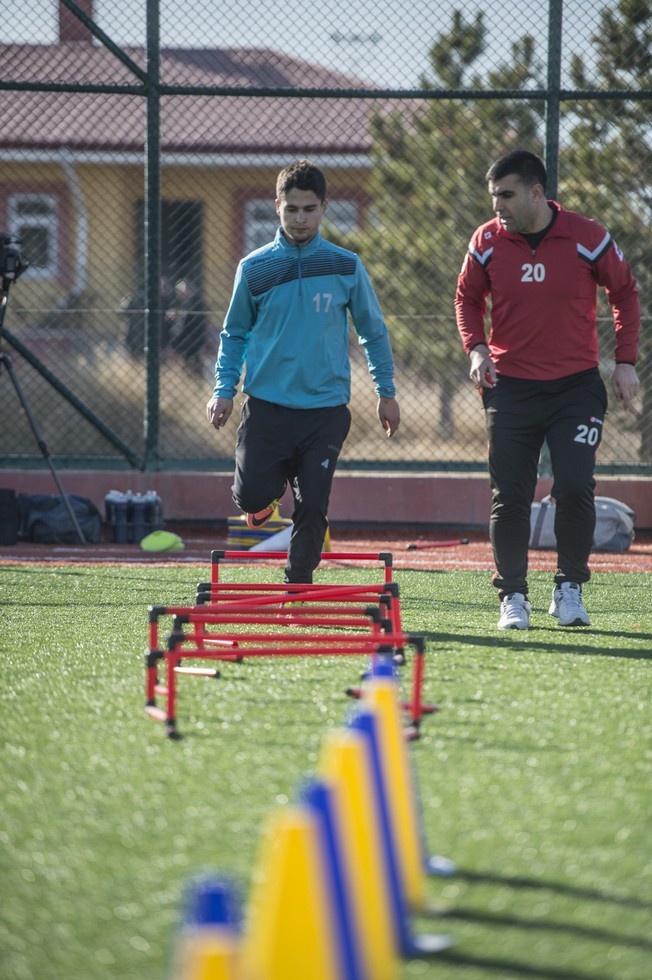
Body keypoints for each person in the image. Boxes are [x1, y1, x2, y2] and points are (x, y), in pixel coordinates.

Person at [454, 149, 641, 630]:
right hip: (510, 388)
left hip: (575, 388)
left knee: (575, 486)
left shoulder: (587, 236)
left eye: (507, 196)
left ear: (537, 193)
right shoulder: (487, 240)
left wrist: (625, 361)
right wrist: (476, 349)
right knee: (510, 495)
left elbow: (624, 292)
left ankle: (569, 588)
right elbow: (467, 298)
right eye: (494, 197)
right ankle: (513, 596)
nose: (499, 207)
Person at [206, 159, 400, 585]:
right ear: (277, 206)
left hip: (325, 410)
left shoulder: (345, 266)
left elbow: (373, 331)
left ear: (324, 208)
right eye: (291, 208)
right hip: (268, 406)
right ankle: (266, 498)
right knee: (250, 496)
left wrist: (386, 392)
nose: (299, 218)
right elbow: (234, 333)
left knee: (313, 505)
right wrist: (224, 389)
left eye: (308, 209)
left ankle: (297, 586)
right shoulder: (254, 268)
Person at [169, 278, 209, 371]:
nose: (179, 294)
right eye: (178, 291)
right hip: (185, 341)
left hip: (192, 340)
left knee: (194, 365)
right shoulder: (185, 304)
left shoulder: (197, 304)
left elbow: (195, 324)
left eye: (182, 291)